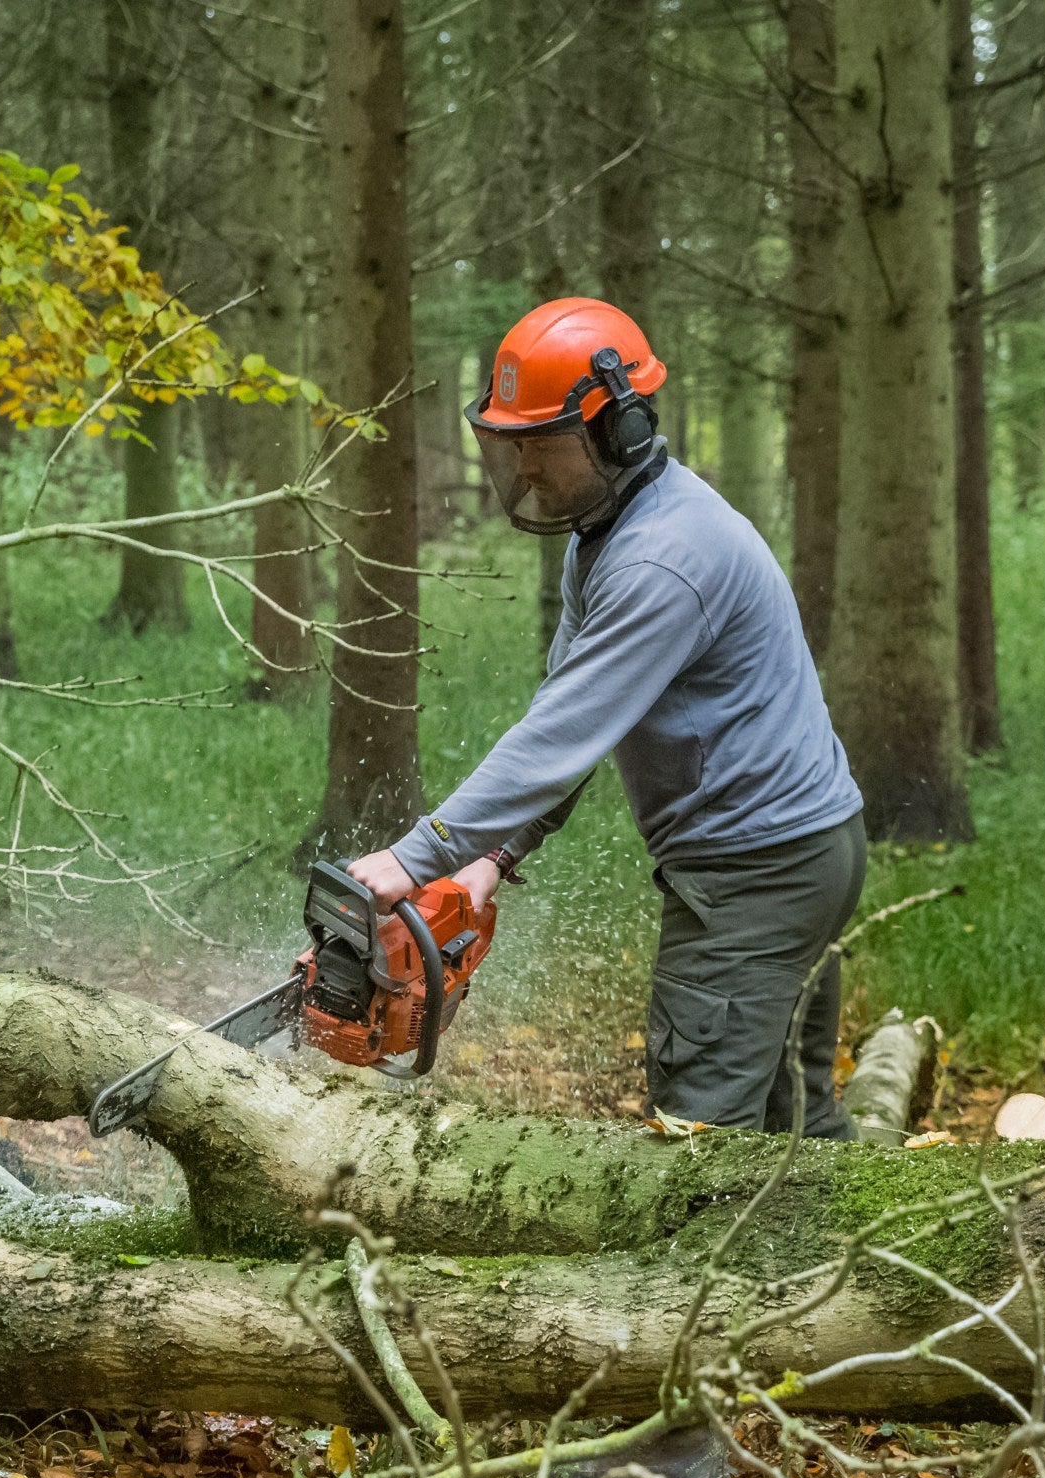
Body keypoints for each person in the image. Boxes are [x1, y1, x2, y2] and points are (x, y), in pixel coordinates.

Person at [345, 297, 869, 1139]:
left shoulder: (664, 561)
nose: (530, 473)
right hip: (800, 848)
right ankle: (853, 1259)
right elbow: (571, 714)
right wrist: (489, 858)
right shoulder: (616, 531)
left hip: (757, 875)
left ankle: (710, 1271)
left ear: (617, 430)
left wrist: (416, 856)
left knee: (703, 1136)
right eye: (513, 450)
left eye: (544, 449)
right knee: (794, 1124)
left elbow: (558, 739)